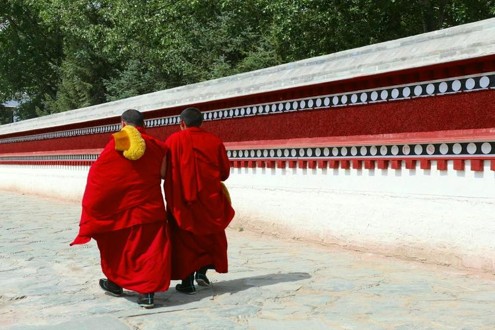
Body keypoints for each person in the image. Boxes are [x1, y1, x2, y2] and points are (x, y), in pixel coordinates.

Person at [70, 109, 171, 308]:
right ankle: (146, 294)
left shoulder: (119, 140)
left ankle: (115, 283)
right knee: (149, 250)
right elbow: (163, 173)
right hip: (149, 207)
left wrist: (97, 205)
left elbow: (100, 174)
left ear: (123, 123)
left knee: (119, 248)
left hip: (122, 208)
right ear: (145, 125)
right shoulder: (159, 146)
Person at [163, 107, 235, 294]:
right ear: (202, 123)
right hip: (210, 200)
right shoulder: (214, 141)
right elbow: (224, 174)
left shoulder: (172, 141)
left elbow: (164, 172)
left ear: (182, 123)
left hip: (183, 201)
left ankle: (187, 283)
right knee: (211, 236)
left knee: (185, 240)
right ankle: (202, 272)